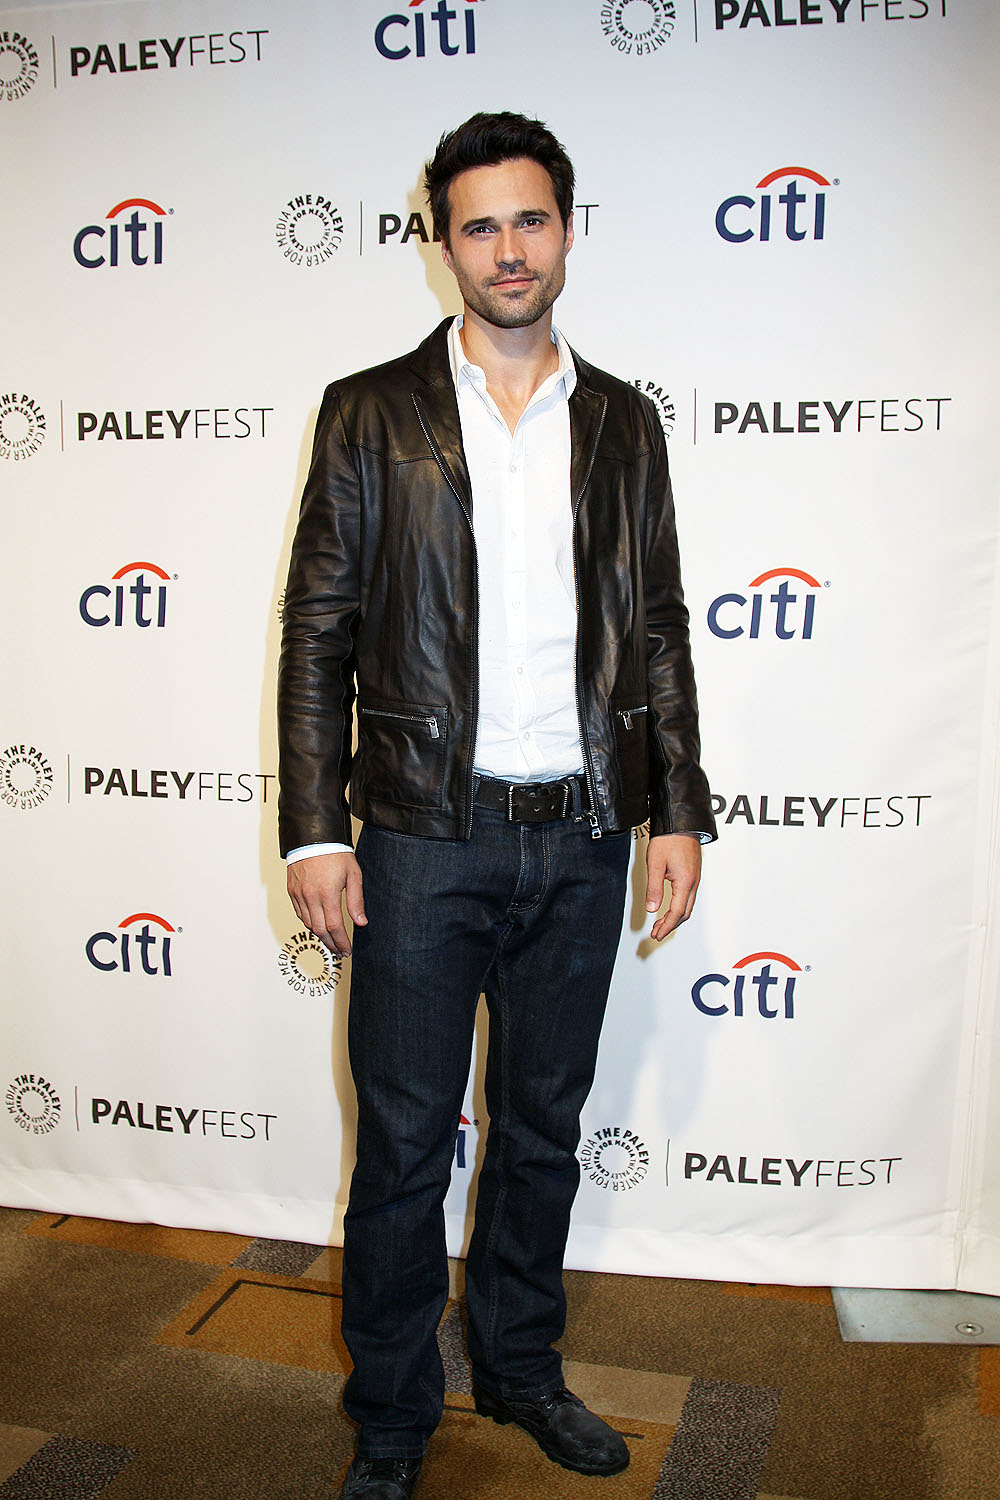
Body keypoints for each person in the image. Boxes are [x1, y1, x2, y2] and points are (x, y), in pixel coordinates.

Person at [277, 111, 716, 1500]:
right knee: (405, 1149)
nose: (509, 249)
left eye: (531, 220)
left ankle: (521, 1370)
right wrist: (316, 827)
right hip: (419, 838)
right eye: (481, 225)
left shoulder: (623, 420)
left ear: (567, 231)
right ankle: (392, 1418)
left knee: (541, 1131)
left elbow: (657, 626)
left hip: (582, 838)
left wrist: (677, 807)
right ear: (444, 246)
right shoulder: (371, 413)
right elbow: (317, 633)